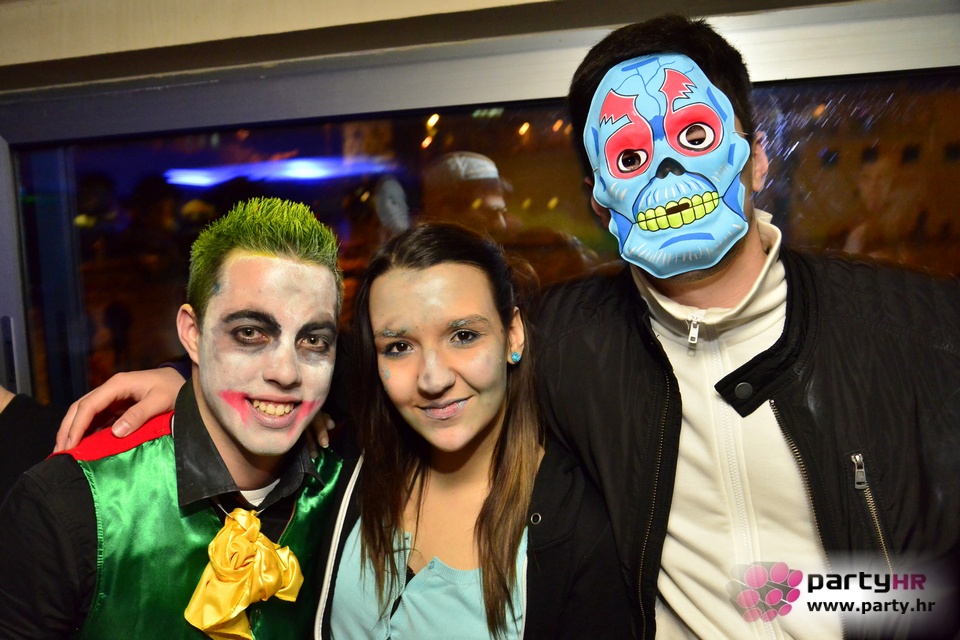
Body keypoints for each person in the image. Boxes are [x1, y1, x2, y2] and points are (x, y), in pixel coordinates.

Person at [542, 13, 959, 639]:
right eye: (629, 157)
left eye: (695, 135)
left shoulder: (920, 329)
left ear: (757, 160)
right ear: (600, 200)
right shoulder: (562, 342)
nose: (666, 170)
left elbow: (940, 587)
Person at [0, 197, 344, 639]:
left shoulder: (346, 488)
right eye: (250, 333)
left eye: (314, 341)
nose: (286, 372)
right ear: (192, 334)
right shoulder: (70, 507)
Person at [316, 222, 633, 638]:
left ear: (512, 335)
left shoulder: (576, 529)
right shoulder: (345, 469)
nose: (433, 379)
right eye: (398, 347)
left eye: (463, 336)